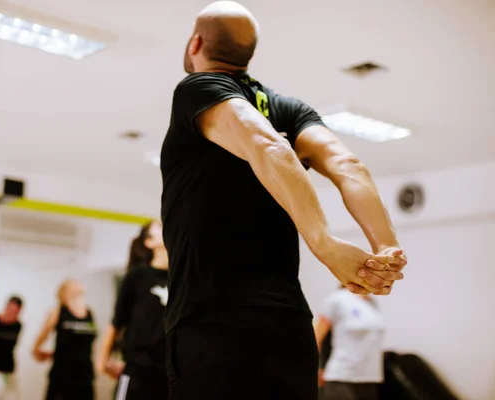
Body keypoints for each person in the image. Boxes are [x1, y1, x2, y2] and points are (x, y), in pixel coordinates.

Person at [160, 1, 408, 398]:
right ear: (248, 54)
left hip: (212, 324)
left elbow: (266, 145)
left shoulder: (199, 87)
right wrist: (385, 251)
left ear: (196, 42)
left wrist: (325, 245)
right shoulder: (291, 110)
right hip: (288, 328)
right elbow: (348, 164)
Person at [97, 220, 169, 400]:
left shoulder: (183, 279)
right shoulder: (137, 276)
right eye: (160, 226)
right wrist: (102, 360)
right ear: (149, 242)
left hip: (171, 374)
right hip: (138, 370)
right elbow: (117, 321)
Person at [314, 286, 386, 400]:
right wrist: (315, 367)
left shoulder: (372, 303)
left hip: (369, 378)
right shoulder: (337, 299)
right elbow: (317, 336)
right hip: (341, 377)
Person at [33, 279, 98, 400]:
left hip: (85, 375)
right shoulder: (58, 312)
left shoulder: (89, 314)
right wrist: (38, 351)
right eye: (72, 287)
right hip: (62, 376)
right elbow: (42, 337)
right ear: (64, 292)